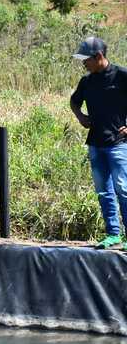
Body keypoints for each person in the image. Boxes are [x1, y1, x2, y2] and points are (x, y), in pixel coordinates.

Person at [70, 37, 127, 250]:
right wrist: (81, 117)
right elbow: (74, 101)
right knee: (104, 191)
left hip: (119, 143)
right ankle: (113, 234)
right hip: (95, 143)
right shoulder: (87, 81)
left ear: (99, 56)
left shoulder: (122, 76)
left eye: (86, 60)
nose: (83, 63)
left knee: (124, 189)